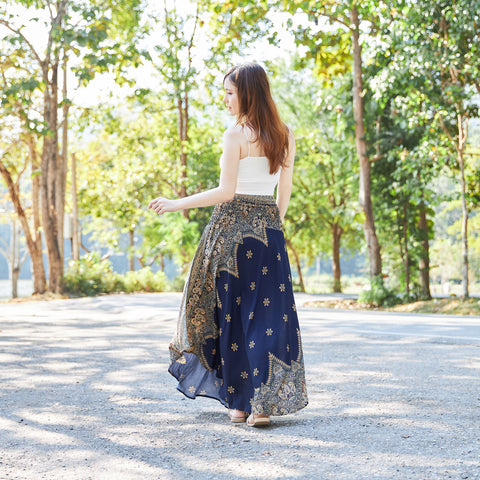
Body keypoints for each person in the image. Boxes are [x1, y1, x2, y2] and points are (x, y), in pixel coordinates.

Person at [148, 63, 308, 427]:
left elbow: (226, 192)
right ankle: (261, 406)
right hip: (269, 234)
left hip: (231, 233)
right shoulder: (284, 133)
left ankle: (239, 404)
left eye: (230, 92)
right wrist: (271, 227)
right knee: (267, 318)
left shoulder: (235, 135)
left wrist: (176, 204)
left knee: (231, 316)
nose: (225, 99)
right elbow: (284, 192)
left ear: (247, 92)